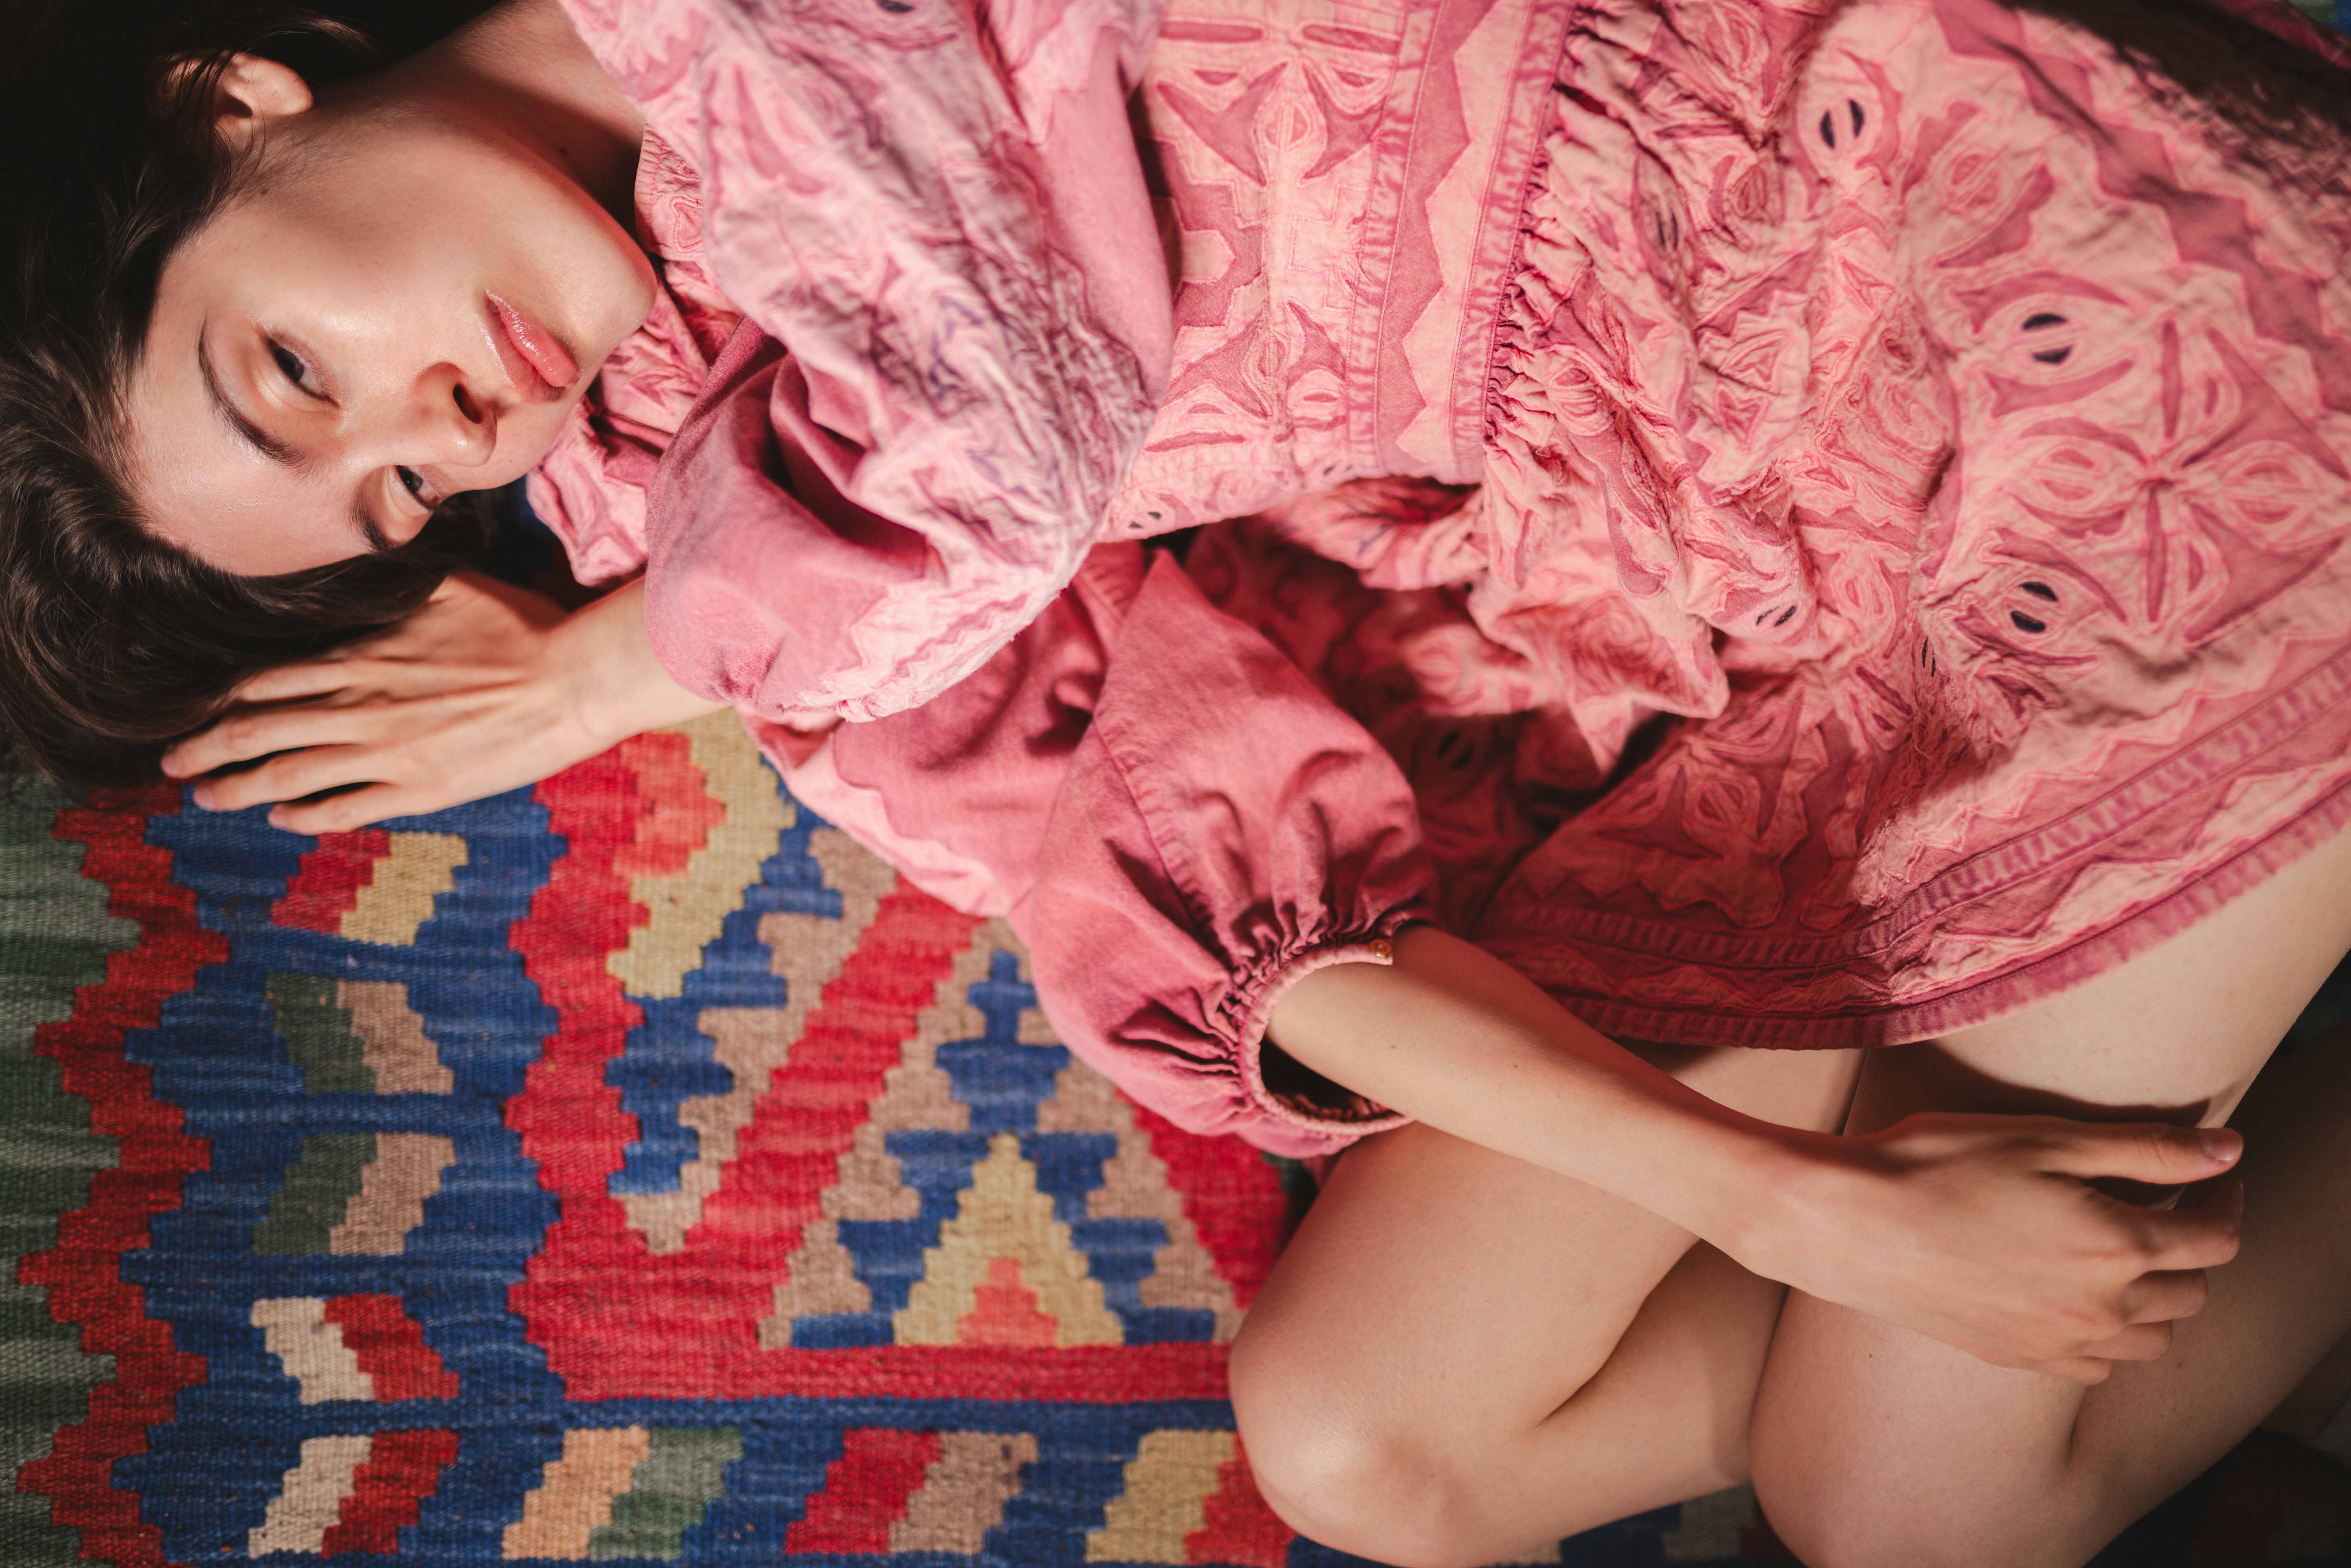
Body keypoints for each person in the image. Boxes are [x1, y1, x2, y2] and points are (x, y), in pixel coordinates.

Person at [5, 0, 2350, 1563]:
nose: (440, 434)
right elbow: (1156, 856)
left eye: (297, 370)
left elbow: (983, 397)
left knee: (1916, 1523)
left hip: (2078, 368)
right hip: (1766, 619)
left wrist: (636, 666)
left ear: (239, 107)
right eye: (400, 504)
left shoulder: (760, 193)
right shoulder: (693, 497)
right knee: (1370, 1448)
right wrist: (1781, 1209)